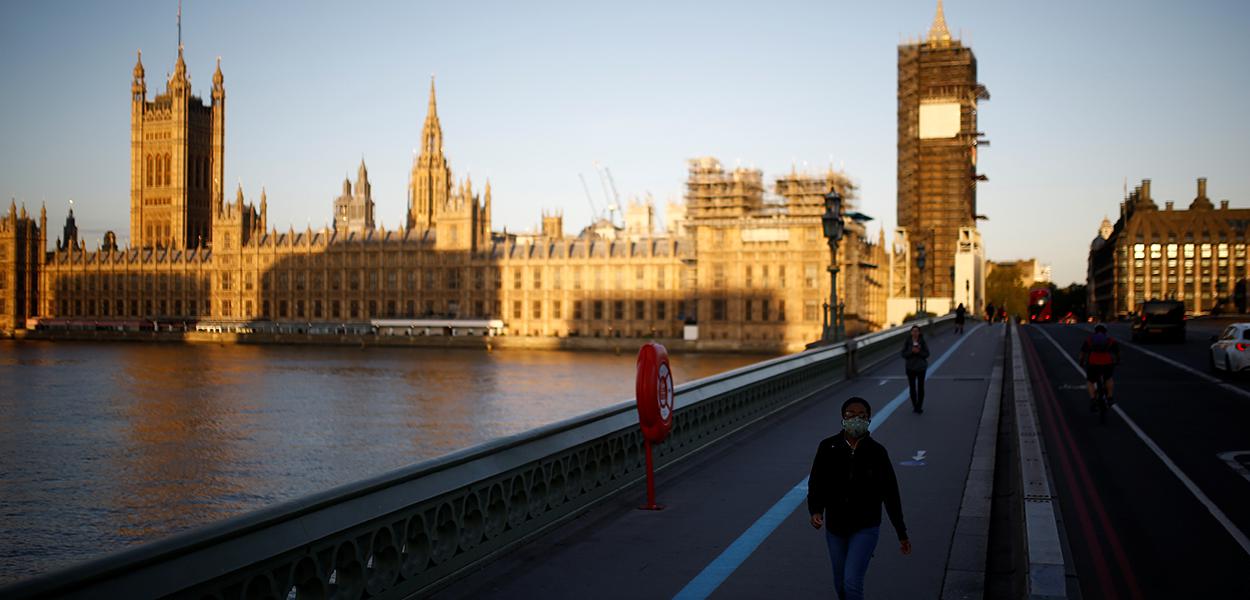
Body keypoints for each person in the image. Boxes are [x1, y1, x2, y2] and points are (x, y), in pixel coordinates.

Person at [808, 397, 910, 600]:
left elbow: (890, 494)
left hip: (866, 526)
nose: (856, 419)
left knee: (852, 582)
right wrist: (816, 510)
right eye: (850, 415)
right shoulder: (828, 447)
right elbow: (817, 483)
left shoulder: (877, 452)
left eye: (861, 416)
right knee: (840, 583)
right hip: (835, 527)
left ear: (869, 419)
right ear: (842, 419)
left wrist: (901, 532)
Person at [1079, 324, 1120, 410]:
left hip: (1093, 362)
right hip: (1107, 362)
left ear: (1095, 331)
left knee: (1090, 381)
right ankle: (1109, 397)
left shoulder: (1089, 340)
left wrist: (1081, 362)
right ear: (1105, 331)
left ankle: (1093, 399)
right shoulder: (1110, 340)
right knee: (1108, 378)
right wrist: (1117, 361)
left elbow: (1082, 352)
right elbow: (1117, 353)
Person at [901, 326, 930, 413]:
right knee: (912, 387)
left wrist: (919, 352)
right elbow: (903, 354)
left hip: (921, 368)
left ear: (919, 332)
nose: (915, 333)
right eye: (913, 331)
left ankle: (919, 406)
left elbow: (927, 354)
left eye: (917, 331)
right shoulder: (907, 342)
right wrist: (911, 351)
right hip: (910, 368)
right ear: (911, 332)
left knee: (920, 387)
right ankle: (915, 406)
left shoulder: (922, 341)